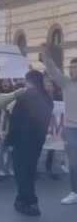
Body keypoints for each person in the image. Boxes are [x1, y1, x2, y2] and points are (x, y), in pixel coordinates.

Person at [7, 70, 53, 217]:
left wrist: (10, 140)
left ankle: (31, 201)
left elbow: (15, 121)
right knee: (30, 170)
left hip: (22, 140)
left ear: (29, 81)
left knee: (22, 172)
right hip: (37, 141)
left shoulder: (24, 97)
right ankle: (21, 199)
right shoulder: (47, 99)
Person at [43, 46, 77, 205]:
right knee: (74, 162)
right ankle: (75, 192)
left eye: (76, 68)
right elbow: (52, 70)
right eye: (72, 68)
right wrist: (46, 55)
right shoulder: (66, 83)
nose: (74, 70)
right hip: (71, 129)